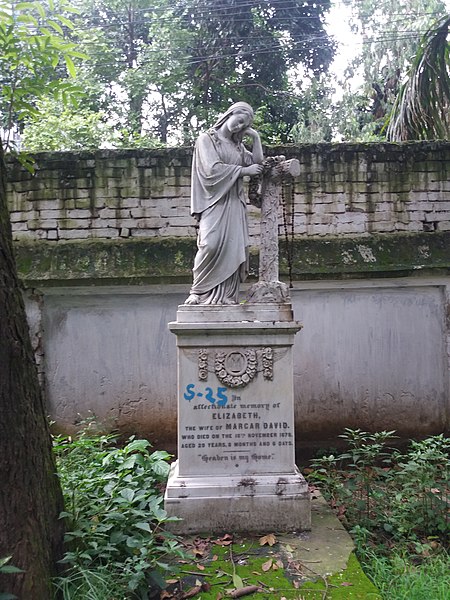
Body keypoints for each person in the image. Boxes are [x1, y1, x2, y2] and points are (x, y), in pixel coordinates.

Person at [185, 102, 264, 305]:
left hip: (234, 204)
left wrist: (255, 138)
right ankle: (198, 291)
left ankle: (227, 296)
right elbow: (211, 171)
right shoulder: (206, 140)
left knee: (233, 249)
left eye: (243, 126)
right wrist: (243, 171)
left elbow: (258, 162)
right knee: (209, 245)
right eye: (238, 121)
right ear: (230, 114)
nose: (239, 127)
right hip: (214, 202)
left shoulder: (238, 147)